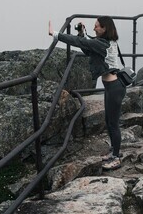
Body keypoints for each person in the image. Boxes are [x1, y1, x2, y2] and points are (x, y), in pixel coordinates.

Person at [48, 17, 126, 170]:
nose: (94, 29)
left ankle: (116, 157)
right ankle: (113, 151)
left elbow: (83, 43)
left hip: (115, 87)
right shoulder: (105, 42)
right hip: (112, 86)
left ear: (105, 29)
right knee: (109, 120)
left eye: (97, 26)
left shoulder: (102, 44)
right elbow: (88, 48)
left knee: (113, 123)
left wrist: (55, 34)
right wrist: (82, 33)